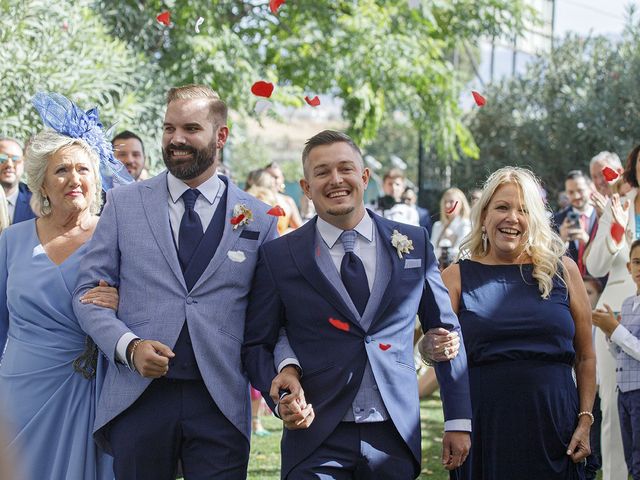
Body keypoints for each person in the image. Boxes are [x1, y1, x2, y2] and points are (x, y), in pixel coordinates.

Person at [73, 84, 280, 480]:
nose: (176, 139)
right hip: (138, 398)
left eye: (190, 128)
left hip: (219, 400)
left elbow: (267, 314)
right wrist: (128, 346)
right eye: (169, 128)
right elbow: (86, 294)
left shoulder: (259, 218)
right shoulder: (123, 203)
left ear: (221, 136)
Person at [242, 130, 471, 479]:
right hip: (315, 437)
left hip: (394, 434)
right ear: (305, 187)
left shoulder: (413, 243)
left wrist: (457, 419)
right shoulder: (279, 256)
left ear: (364, 177)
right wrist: (281, 395)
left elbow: (445, 333)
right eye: (322, 172)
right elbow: (258, 342)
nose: (336, 180)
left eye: (346, 168)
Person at [434, 166, 596, 479]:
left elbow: (586, 355)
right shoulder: (455, 277)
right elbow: (437, 351)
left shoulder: (564, 271)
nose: (512, 218)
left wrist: (586, 419)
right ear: (483, 216)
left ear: (535, 218)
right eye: (502, 207)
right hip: (484, 427)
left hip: (556, 428)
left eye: (523, 210)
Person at [0, 91, 128, 479]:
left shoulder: (116, 236)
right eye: (62, 171)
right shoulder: (11, 241)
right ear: (42, 183)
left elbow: (150, 304)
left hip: (93, 391)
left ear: (96, 179)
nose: (74, 179)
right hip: (21, 389)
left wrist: (124, 301)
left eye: (83, 170)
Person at [585, 145, 640, 480]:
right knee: (613, 402)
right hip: (615, 310)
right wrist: (616, 232)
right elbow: (594, 264)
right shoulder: (620, 202)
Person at [591, 238, 640, 480]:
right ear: (629, 268)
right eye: (636, 262)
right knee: (631, 461)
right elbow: (622, 353)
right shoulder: (629, 304)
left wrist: (616, 330)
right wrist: (611, 334)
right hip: (626, 393)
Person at [554, 170, 598, 275]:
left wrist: (587, 241)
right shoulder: (556, 220)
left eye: (580, 190)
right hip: (569, 284)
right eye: (571, 192)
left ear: (590, 188)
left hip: (598, 284)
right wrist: (562, 240)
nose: (576, 196)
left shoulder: (602, 217)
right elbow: (549, 258)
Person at [430, 187, 471, 265]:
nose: (447, 205)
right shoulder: (437, 225)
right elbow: (430, 253)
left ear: (461, 204)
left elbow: (461, 254)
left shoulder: (466, 224)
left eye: (451, 201)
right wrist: (450, 241)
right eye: (445, 201)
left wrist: (441, 247)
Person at [0, 137, 36, 224]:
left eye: (15, 159)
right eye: (2, 158)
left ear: (24, 163)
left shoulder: (36, 201)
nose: (9, 164)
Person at [265, 161, 303, 233]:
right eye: (268, 176)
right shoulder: (256, 199)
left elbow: (301, 230)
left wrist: (288, 232)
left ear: (282, 179)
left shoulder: (288, 201)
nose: (272, 180)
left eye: (276, 177)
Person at [590, 151, 623, 218]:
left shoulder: (634, 199)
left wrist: (607, 213)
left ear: (619, 172)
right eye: (594, 177)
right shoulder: (594, 209)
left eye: (602, 174)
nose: (599, 181)